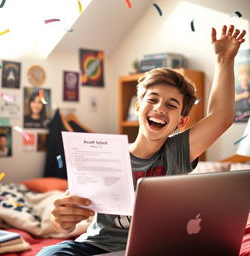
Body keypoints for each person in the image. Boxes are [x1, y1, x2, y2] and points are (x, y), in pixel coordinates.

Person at [37, 25, 246, 256]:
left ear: (182, 121)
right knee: (48, 254)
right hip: (95, 247)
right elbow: (67, 218)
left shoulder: (177, 152)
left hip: (152, 249)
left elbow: (221, 119)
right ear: (138, 107)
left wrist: (224, 59)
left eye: (171, 105)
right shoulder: (105, 154)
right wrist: (62, 221)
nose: (159, 108)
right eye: (152, 100)